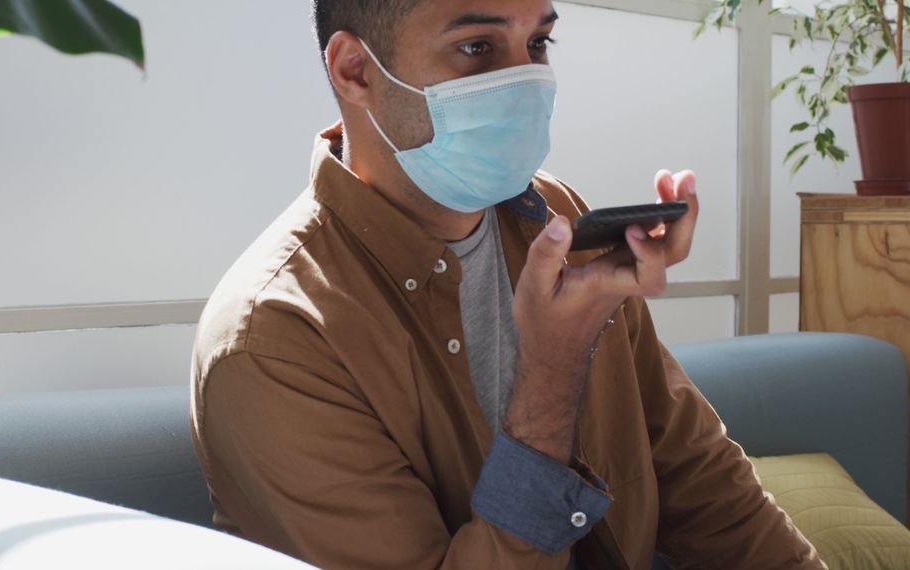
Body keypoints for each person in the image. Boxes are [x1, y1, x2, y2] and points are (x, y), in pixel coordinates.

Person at [190, 0, 826, 568]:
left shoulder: (553, 215)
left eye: (538, 44)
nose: (524, 82)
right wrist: (552, 368)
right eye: (476, 48)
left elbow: (693, 471)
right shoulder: (274, 337)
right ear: (355, 69)